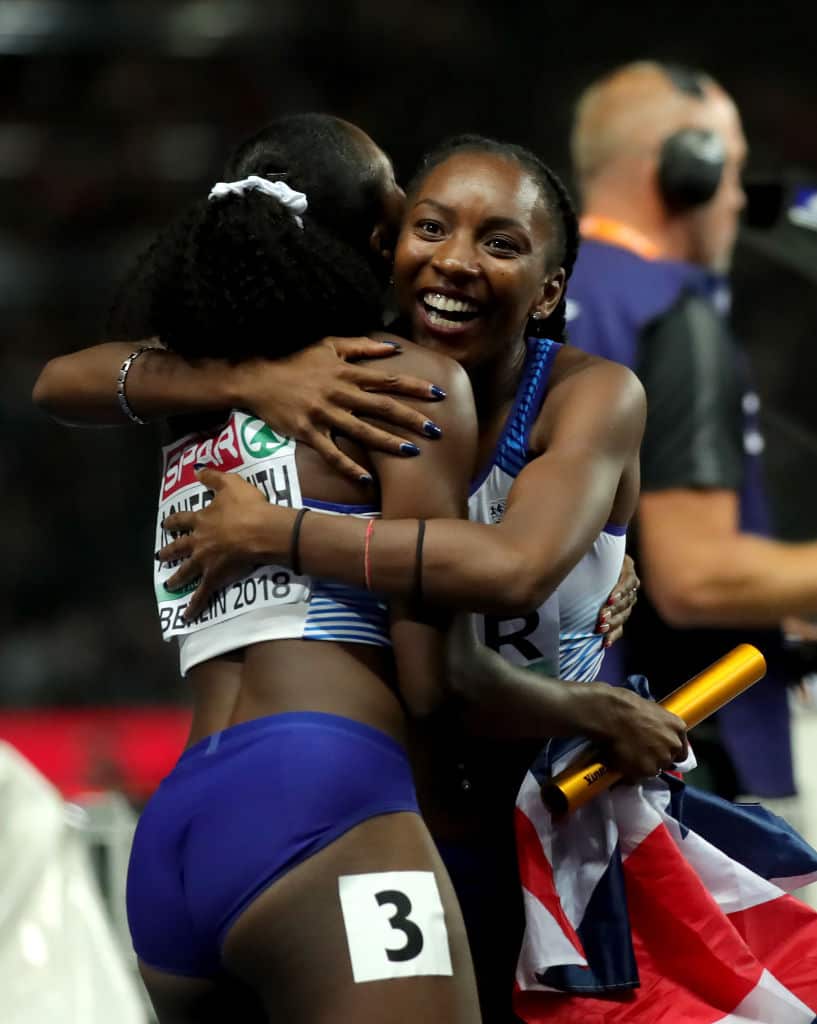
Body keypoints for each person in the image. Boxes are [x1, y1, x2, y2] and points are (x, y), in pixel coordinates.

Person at [153, 134, 690, 1021]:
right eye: (431, 227)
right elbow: (78, 379)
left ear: (550, 290)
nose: (456, 262)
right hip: (405, 828)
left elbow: (514, 571)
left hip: (556, 834)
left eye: (500, 243)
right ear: (389, 247)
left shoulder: (590, 395)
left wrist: (277, 531)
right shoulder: (343, 375)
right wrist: (254, 376)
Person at [96, 112, 488, 1024]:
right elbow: (432, 683)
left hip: (177, 836)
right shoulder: (398, 379)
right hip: (324, 800)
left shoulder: (192, 400)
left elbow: (67, 381)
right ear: (376, 238)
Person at [566, 60, 817, 807]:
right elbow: (696, 576)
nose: (738, 199)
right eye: (732, 171)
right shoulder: (674, 316)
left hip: (550, 736)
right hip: (673, 760)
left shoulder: (538, 291)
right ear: (688, 171)